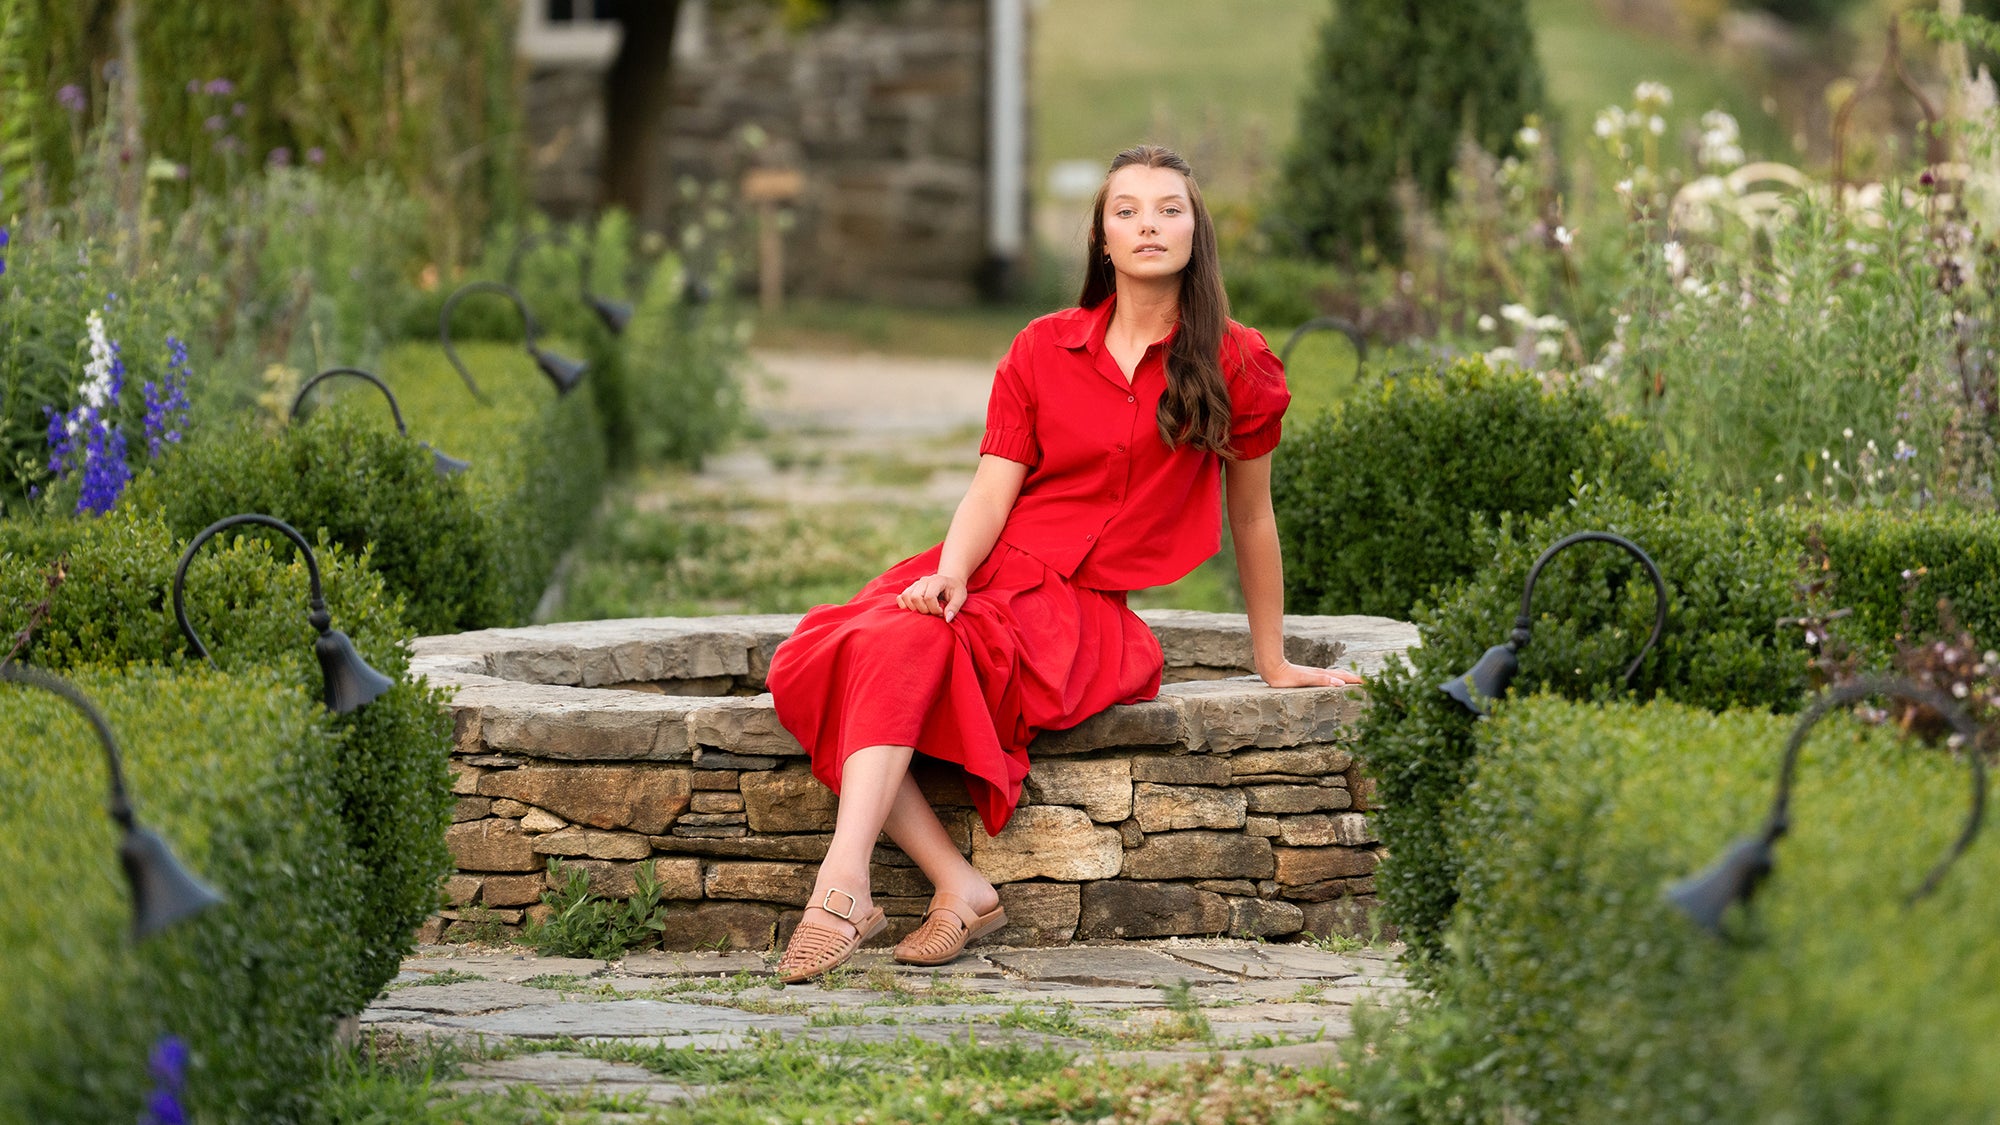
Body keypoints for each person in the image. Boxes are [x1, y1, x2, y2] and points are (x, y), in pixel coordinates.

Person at [765, 144, 1363, 983]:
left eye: (1169, 208)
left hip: (1083, 617)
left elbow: (1253, 515)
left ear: (1198, 233)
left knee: (895, 652)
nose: (1148, 223)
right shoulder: (1042, 347)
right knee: (851, 651)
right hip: (991, 570)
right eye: (1126, 210)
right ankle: (940, 882)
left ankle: (847, 886)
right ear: (1101, 240)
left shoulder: (1238, 361)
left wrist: (1273, 658)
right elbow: (991, 487)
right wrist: (954, 573)